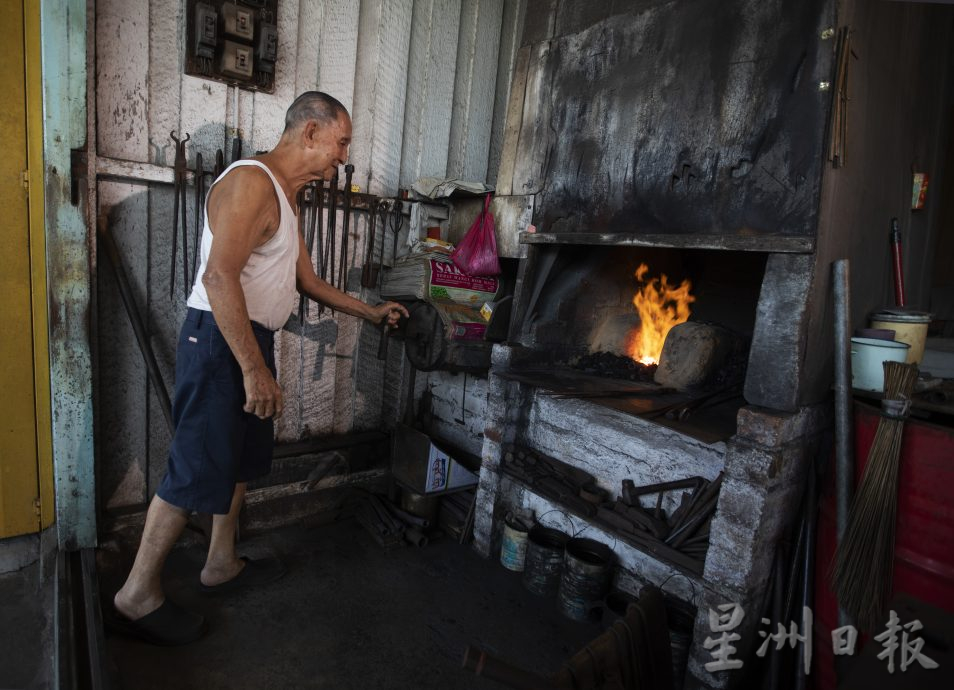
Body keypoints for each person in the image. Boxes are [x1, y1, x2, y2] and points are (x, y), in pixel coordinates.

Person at [110, 92, 408, 645]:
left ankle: (220, 562)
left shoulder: (287, 199)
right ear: (311, 131)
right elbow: (219, 278)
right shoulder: (250, 182)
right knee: (194, 465)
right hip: (220, 341)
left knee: (240, 460)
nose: (344, 156)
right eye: (341, 142)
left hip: (249, 340)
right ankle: (136, 595)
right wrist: (252, 369)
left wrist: (369, 312)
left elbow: (307, 281)